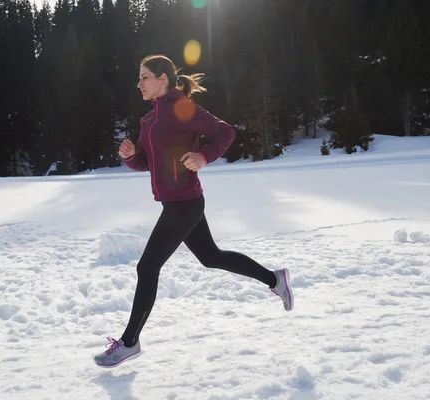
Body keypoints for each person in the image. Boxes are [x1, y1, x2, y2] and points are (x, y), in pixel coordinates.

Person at [93, 55, 293, 368]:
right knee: (212, 256)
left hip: (185, 203)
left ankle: (129, 342)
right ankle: (274, 279)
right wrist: (132, 157)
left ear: (162, 79)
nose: (139, 83)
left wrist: (203, 157)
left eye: (144, 77)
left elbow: (225, 132)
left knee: (147, 268)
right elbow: (148, 162)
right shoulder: (148, 120)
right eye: (139, 78)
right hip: (176, 203)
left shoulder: (182, 108)